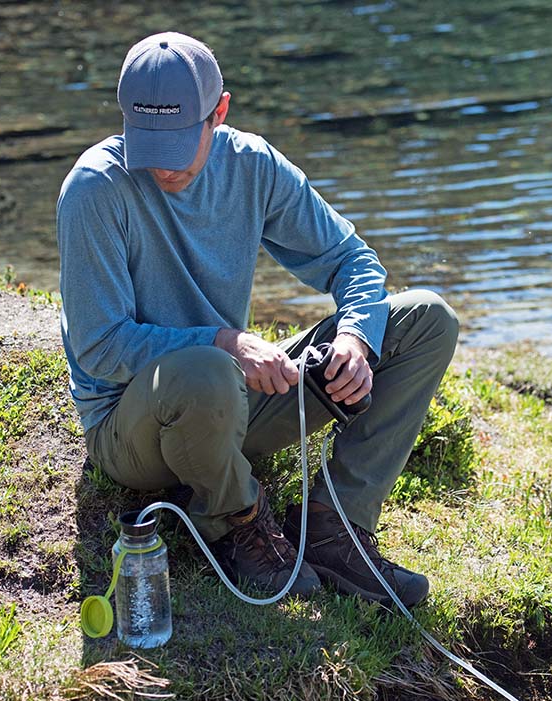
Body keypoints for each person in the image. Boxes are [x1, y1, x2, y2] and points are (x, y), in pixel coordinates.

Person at [58, 32, 458, 608]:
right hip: (133, 431)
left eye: (177, 143)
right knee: (209, 371)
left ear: (219, 112)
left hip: (230, 401)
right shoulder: (94, 190)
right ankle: (238, 522)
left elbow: (353, 261)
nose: (163, 167)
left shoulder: (253, 166)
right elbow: (101, 348)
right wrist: (227, 343)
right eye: (148, 143)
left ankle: (334, 527)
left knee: (427, 319)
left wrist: (355, 338)